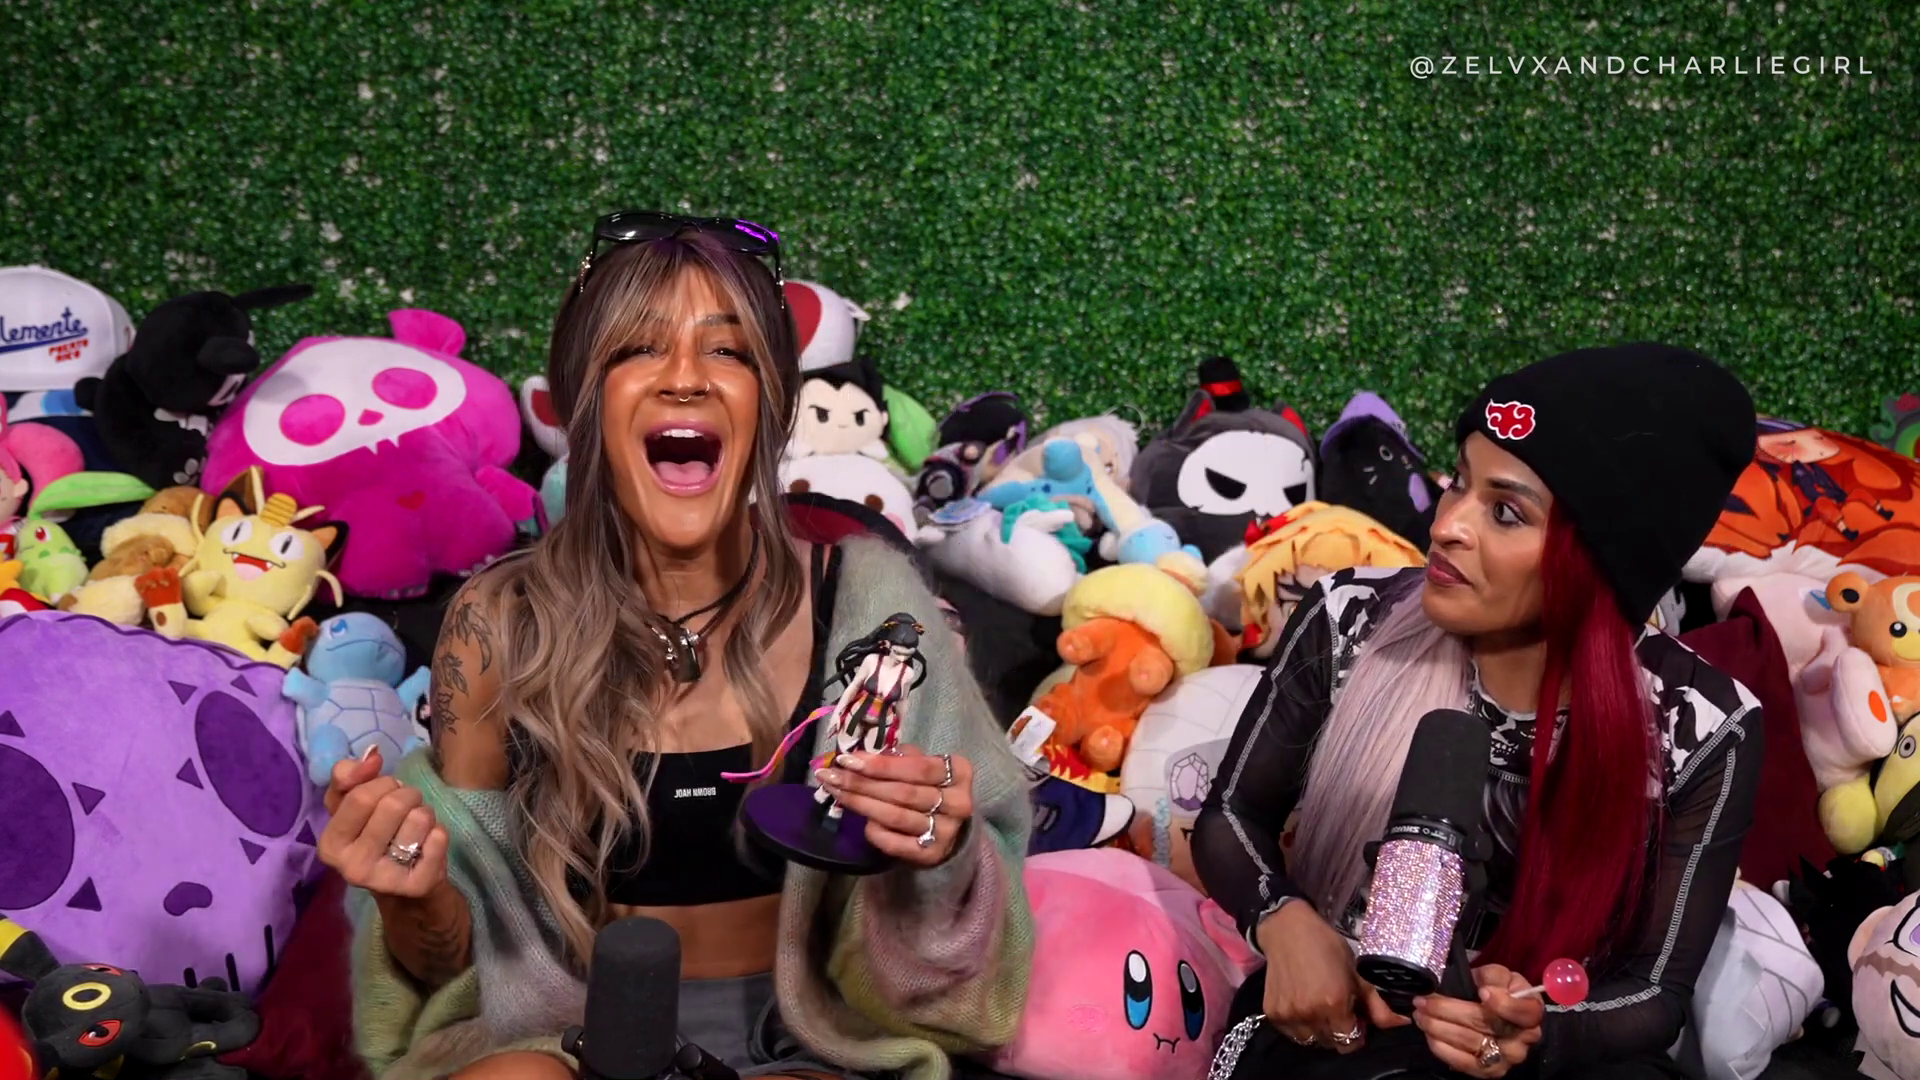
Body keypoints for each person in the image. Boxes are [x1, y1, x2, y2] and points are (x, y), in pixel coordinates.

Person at [316, 211, 1033, 1080]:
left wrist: (942, 854)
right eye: (637, 349)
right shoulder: (497, 622)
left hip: (805, 1036)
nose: (685, 379)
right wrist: (412, 894)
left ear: (773, 401)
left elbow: (962, 951)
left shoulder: (872, 609)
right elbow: (453, 973)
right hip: (564, 1028)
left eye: (726, 351)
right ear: (584, 400)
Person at [1194, 344, 1764, 1079]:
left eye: (1505, 511)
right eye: (1457, 482)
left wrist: (1534, 1030)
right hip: (1341, 1029)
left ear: (1598, 561)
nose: (1446, 525)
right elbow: (1232, 812)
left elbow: (1657, 993)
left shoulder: (1704, 727)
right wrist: (1283, 920)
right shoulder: (1348, 617)